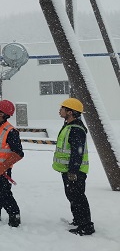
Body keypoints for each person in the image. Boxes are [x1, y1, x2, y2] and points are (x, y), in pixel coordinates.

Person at [53, 98, 95, 236]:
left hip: (75, 171)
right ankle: (78, 220)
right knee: (72, 196)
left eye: (62, 108)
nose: (60, 110)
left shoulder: (76, 129)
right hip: (68, 170)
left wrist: (73, 171)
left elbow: (77, 152)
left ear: (70, 112)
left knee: (78, 198)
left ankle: (86, 226)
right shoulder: (69, 126)